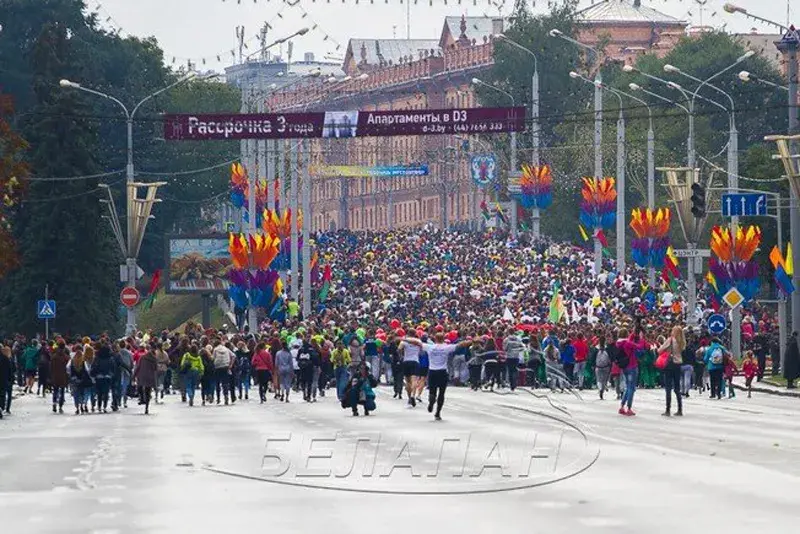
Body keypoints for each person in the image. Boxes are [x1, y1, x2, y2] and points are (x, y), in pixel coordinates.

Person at [404, 332, 472, 420]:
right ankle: (438, 413)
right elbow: (461, 344)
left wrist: (405, 339)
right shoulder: (447, 347)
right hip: (443, 372)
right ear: (443, 339)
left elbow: (417, 342)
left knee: (432, 391)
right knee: (441, 393)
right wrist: (472, 341)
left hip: (432, 372)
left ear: (435, 339)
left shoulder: (430, 347)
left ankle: (431, 402)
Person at [616, 326, 648, 416]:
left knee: (628, 386)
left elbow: (630, 339)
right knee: (631, 388)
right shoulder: (628, 343)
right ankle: (629, 407)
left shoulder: (619, 343)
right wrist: (641, 338)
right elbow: (640, 347)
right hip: (632, 366)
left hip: (624, 367)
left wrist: (634, 332)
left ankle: (622, 406)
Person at [657, 326, 685, 417]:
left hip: (670, 365)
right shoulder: (682, 342)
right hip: (678, 364)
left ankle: (668, 409)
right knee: (677, 388)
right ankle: (680, 409)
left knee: (668, 388)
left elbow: (659, 350)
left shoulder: (671, 340)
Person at [91, 342, 116, 413]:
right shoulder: (110, 359)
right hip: (107, 377)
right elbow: (113, 368)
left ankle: (99, 406)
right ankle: (104, 406)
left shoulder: (97, 358)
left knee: (99, 392)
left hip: (98, 377)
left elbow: (93, 367)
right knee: (106, 392)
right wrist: (111, 375)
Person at [134, 347, 158, 415]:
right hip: (150, 377)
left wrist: (134, 375)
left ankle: (142, 399)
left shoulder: (142, 357)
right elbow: (155, 369)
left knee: (140, 387)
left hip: (142, 375)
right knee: (148, 392)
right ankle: (146, 407)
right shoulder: (154, 359)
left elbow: (138, 367)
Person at [211, 339, 233, 405]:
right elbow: (233, 355)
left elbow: (213, 358)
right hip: (225, 366)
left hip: (217, 367)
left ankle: (218, 398)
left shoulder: (215, 349)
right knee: (225, 383)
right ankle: (226, 396)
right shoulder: (226, 349)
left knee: (217, 383)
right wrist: (230, 364)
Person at [49, 343, 70, 414]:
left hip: (55, 376)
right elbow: (68, 368)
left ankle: (54, 403)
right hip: (63, 376)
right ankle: (60, 407)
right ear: (64, 348)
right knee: (62, 391)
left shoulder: (54, 357)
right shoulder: (66, 357)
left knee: (55, 390)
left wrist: (50, 376)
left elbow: (51, 367)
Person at [593, 336, 612, 400]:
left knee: (598, 379)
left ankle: (600, 388)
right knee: (604, 380)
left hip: (598, 366)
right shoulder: (608, 348)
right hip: (606, 366)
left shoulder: (596, 348)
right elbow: (610, 357)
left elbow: (593, 357)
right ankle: (602, 390)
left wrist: (593, 365)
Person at [0, 345, 12, 419]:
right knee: (2, 394)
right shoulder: (5, 358)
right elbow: (9, 370)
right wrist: (10, 379)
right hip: (3, 380)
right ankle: (1, 407)